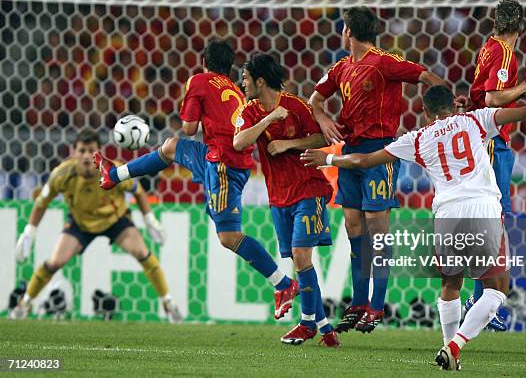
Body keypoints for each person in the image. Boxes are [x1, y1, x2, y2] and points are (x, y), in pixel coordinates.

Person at [301, 84, 526, 370]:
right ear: (451, 106)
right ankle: (454, 347)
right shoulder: (476, 119)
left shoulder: (417, 138)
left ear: (426, 112)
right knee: (497, 291)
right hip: (482, 207)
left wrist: (328, 157)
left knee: (450, 286)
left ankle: (448, 349)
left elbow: (365, 161)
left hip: (446, 214)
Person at [95, 40, 298, 320]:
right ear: (228, 67)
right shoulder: (234, 89)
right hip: (217, 156)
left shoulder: (199, 81)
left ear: (204, 61)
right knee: (170, 147)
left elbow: (190, 128)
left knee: (228, 237)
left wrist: (197, 111)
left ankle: (283, 284)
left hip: (224, 164)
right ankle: (114, 174)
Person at [309, 6, 448, 333]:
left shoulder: (385, 61)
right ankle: (358, 302)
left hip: (381, 151)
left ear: (348, 31)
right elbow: (315, 99)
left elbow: (427, 76)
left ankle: (376, 304)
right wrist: (323, 118)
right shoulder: (341, 67)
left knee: (377, 228)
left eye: (343, 28)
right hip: (351, 152)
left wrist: (443, 111)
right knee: (354, 226)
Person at [10, 128, 182, 323]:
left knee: (143, 254)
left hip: (116, 220)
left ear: (99, 152)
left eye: (90, 150)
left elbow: (138, 191)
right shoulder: (61, 175)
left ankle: (169, 304)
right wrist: (29, 232)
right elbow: (42, 202)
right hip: (80, 223)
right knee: (53, 263)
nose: (85, 156)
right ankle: (24, 304)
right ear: (73, 152)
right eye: (81, 150)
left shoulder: (114, 170)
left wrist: (150, 220)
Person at [233, 53, 340, 346]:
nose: (242, 85)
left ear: (260, 80)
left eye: (245, 79)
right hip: (278, 197)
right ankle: (325, 327)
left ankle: (306, 324)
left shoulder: (297, 106)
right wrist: (269, 118)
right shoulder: (251, 111)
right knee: (299, 261)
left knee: (302, 257)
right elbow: (239, 142)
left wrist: (289, 144)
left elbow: (322, 139)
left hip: (308, 188)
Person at [467, 0, 526, 331]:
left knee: (488, 221)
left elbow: (480, 95)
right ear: (520, 26)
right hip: (493, 142)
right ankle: (480, 297)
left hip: (483, 137)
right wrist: (525, 86)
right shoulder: (504, 53)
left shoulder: (487, 47)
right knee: (493, 221)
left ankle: (478, 295)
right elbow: (492, 98)